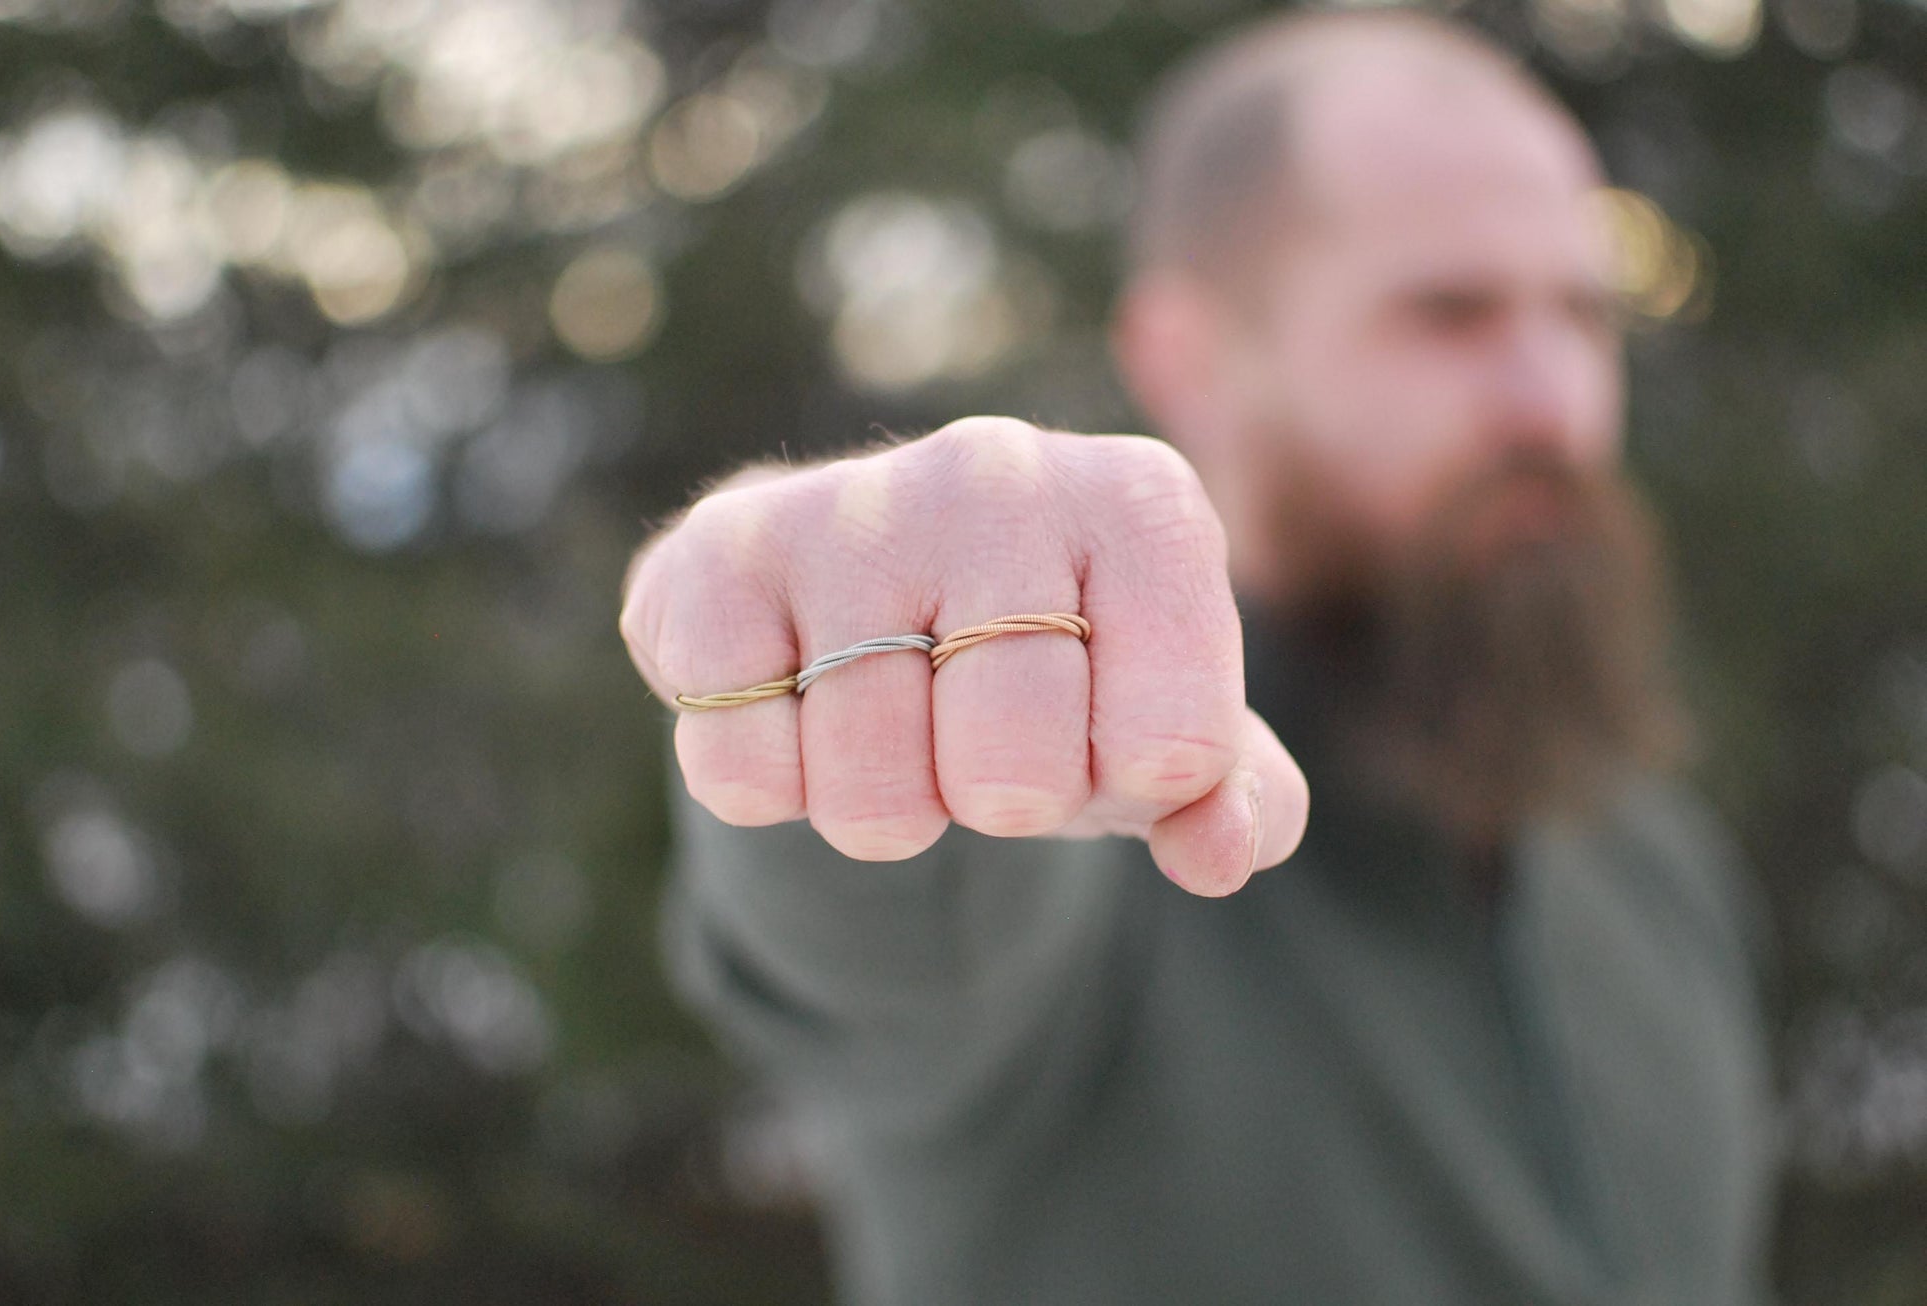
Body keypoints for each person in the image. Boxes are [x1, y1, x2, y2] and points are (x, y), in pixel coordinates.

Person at [619, 10, 1778, 1305]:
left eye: (1582, 314)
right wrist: (821, 608)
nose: (1552, 404)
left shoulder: (1647, 856)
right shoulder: (1079, 813)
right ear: (1192, 358)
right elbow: (881, 928)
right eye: (1447, 315)